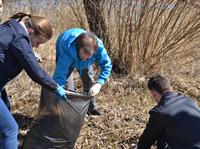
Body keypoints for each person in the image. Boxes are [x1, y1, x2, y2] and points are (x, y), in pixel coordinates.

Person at [0, 12, 66, 149]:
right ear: (31, 32)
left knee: (5, 109)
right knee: (10, 130)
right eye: (38, 42)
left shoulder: (12, 27)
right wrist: (55, 87)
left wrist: (30, 55)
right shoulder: (20, 37)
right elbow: (35, 71)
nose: (37, 46)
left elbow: (9, 50)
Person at [53, 28, 112, 115]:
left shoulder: (98, 47)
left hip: (85, 60)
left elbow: (107, 65)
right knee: (66, 86)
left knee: (89, 81)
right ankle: (64, 110)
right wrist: (59, 89)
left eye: (88, 58)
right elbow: (60, 75)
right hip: (65, 48)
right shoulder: (66, 50)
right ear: (78, 48)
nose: (84, 59)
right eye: (83, 57)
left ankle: (91, 108)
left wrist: (99, 83)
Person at [134, 74, 200, 149]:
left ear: (153, 94)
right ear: (171, 88)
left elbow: (146, 140)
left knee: (161, 132)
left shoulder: (160, 112)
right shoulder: (189, 101)